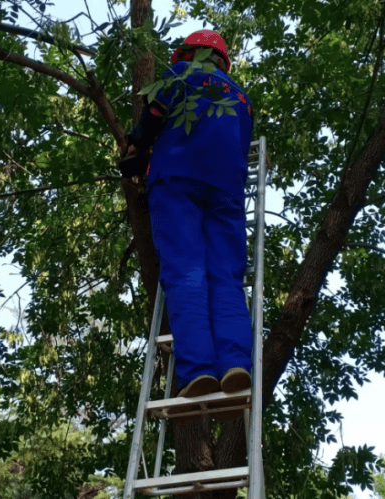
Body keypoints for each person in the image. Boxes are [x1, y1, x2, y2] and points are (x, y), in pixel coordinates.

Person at [120, 30, 255, 422]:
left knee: (186, 274)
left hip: (178, 180)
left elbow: (154, 117)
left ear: (190, 53)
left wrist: (135, 148)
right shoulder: (241, 97)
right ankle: (235, 365)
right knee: (226, 278)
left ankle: (198, 373)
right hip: (227, 191)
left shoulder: (180, 73)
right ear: (222, 60)